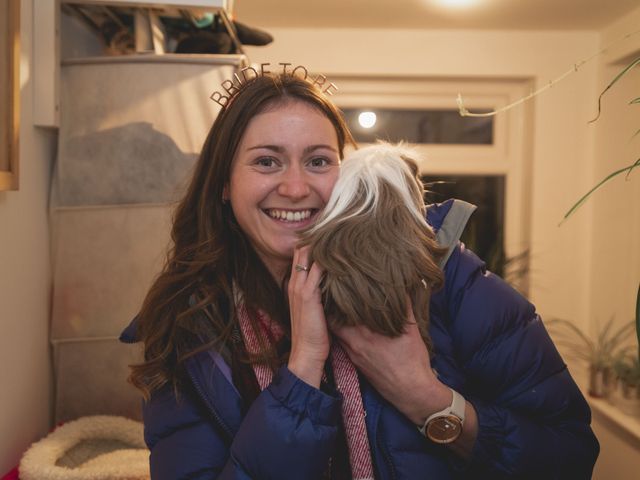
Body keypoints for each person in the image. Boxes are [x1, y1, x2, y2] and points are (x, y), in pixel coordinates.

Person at [120, 68, 599, 479]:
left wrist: (421, 394)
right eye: (267, 161)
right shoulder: (190, 330)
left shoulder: (440, 273)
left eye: (319, 161)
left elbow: (568, 455)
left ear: (345, 174)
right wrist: (304, 367)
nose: (295, 187)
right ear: (225, 183)